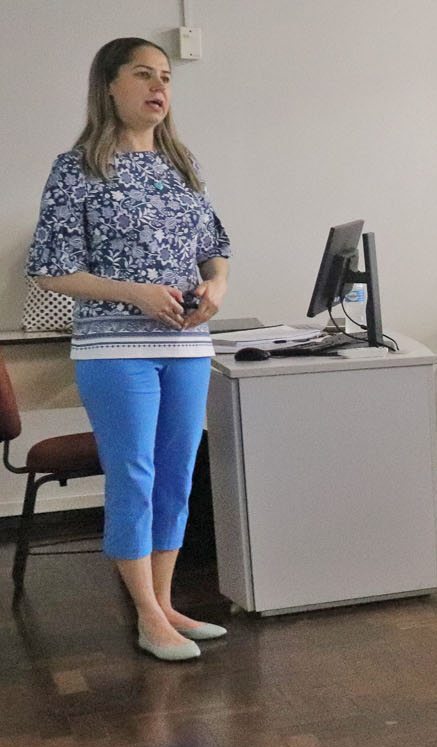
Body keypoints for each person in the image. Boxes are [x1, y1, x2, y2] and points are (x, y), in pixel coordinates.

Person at [28, 37, 231, 662]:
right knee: (134, 475)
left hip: (188, 345)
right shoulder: (76, 169)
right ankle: (146, 615)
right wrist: (133, 293)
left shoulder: (182, 164)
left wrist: (217, 286)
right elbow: (51, 270)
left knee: (177, 474)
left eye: (165, 76)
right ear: (110, 86)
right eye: (144, 74)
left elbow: (214, 247)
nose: (159, 86)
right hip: (114, 347)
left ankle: (166, 605)